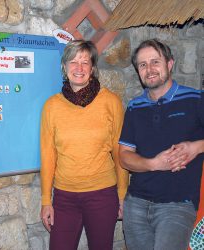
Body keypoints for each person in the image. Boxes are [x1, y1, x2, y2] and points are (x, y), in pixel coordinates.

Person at [40, 39, 129, 250]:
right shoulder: (52, 106)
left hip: (102, 195)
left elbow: (120, 151)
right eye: (73, 62)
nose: (79, 68)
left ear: (93, 68)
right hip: (64, 198)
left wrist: (122, 194)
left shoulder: (111, 102)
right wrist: (46, 200)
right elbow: (47, 154)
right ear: (64, 67)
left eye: (85, 62)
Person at [119, 38, 204, 250]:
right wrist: (154, 163)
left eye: (155, 62)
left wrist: (196, 147)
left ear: (169, 64)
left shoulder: (196, 100)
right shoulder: (134, 107)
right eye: (143, 65)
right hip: (136, 205)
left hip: (177, 205)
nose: (150, 69)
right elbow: (124, 156)